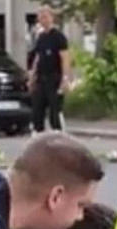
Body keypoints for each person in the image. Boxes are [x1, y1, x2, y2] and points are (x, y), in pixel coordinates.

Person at [26, 5, 70, 134]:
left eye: (45, 17)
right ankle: (37, 135)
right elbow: (37, 58)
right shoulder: (41, 37)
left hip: (54, 77)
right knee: (37, 110)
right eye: (40, 18)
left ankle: (60, 135)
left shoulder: (59, 37)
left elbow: (65, 58)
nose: (42, 20)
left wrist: (65, 79)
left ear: (51, 18)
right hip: (41, 78)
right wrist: (32, 77)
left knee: (55, 111)